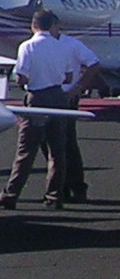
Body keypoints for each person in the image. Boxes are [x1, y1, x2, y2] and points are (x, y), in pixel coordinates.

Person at [0, 10, 74, 209]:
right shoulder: (61, 47)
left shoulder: (28, 46)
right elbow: (68, 77)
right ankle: (54, 196)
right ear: (51, 25)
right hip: (58, 97)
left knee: (26, 150)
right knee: (57, 150)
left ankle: (11, 194)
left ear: (34, 25)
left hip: (38, 97)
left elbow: (22, 77)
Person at [45, 23, 101, 202]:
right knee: (48, 144)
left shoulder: (71, 44)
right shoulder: (40, 45)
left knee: (67, 142)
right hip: (47, 97)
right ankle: (61, 187)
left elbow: (94, 64)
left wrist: (79, 88)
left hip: (66, 98)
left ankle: (76, 186)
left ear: (56, 27)